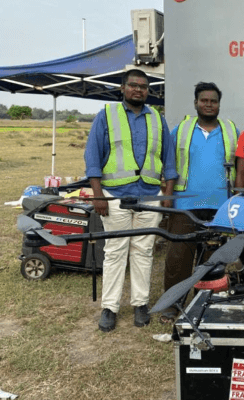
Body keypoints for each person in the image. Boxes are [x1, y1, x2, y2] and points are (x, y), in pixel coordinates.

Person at [84, 69, 178, 332]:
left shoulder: (158, 120)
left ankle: (140, 303)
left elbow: (169, 161)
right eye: (134, 85)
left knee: (143, 251)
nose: (139, 90)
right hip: (114, 197)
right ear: (123, 88)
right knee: (115, 252)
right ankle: (110, 307)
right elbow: (93, 157)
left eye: (144, 86)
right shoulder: (107, 115)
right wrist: (98, 195)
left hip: (149, 196)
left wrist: (167, 193)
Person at [160, 82, 238, 323]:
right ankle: (173, 304)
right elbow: (169, 165)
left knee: (211, 259)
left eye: (213, 101)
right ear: (195, 103)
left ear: (219, 104)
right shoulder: (181, 129)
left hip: (219, 206)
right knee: (178, 257)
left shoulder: (230, 129)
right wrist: (168, 196)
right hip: (185, 205)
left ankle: (205, 303)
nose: (208, 104)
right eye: (204, 100)